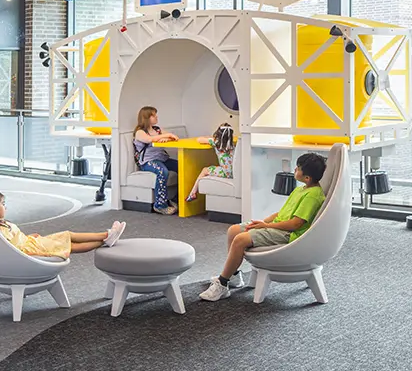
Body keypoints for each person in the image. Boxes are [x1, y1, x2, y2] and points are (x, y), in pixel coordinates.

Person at [199, 152, 328, 302]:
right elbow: (282, 213)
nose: (294, 170)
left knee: (240, 240)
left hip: (288, 234)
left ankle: (222, 283)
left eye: (298, 169)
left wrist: (266, 226)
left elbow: (295, 224)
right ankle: (234, 275)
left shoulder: (313, 195)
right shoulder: (300, 189)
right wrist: (261, 223)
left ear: (307, 177)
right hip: (276, 227)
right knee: (233, 230)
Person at [0, 190, 126, 258]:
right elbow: (10, 248)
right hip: (29, 249)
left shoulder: (3, 224)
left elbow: (15, 238)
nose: (5, 207)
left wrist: (27, 237)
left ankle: (107, 237)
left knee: (68, 236)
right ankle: (107, 237)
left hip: (31, 242)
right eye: (3, 204)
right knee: (70, 244)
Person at [133, 106, 179, 215]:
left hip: (162, 158)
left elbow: (172, 138)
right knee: (162, 171)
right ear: (146, 118)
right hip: (148, 161)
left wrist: (165, 138)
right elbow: (149, 139)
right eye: (154, 115)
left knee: (182, 167)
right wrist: (165, 136)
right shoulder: (140, 132)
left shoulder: (157, 129)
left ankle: (177, 199)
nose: (156, 117)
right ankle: (160, 205)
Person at [186, 122, 236, 203]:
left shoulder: (216, 143)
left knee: (204, 170)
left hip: (225, 173)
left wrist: (210, 138)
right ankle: (193, 193)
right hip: (234, 172)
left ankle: (193, 192)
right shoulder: (232, 145)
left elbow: (199, 140)